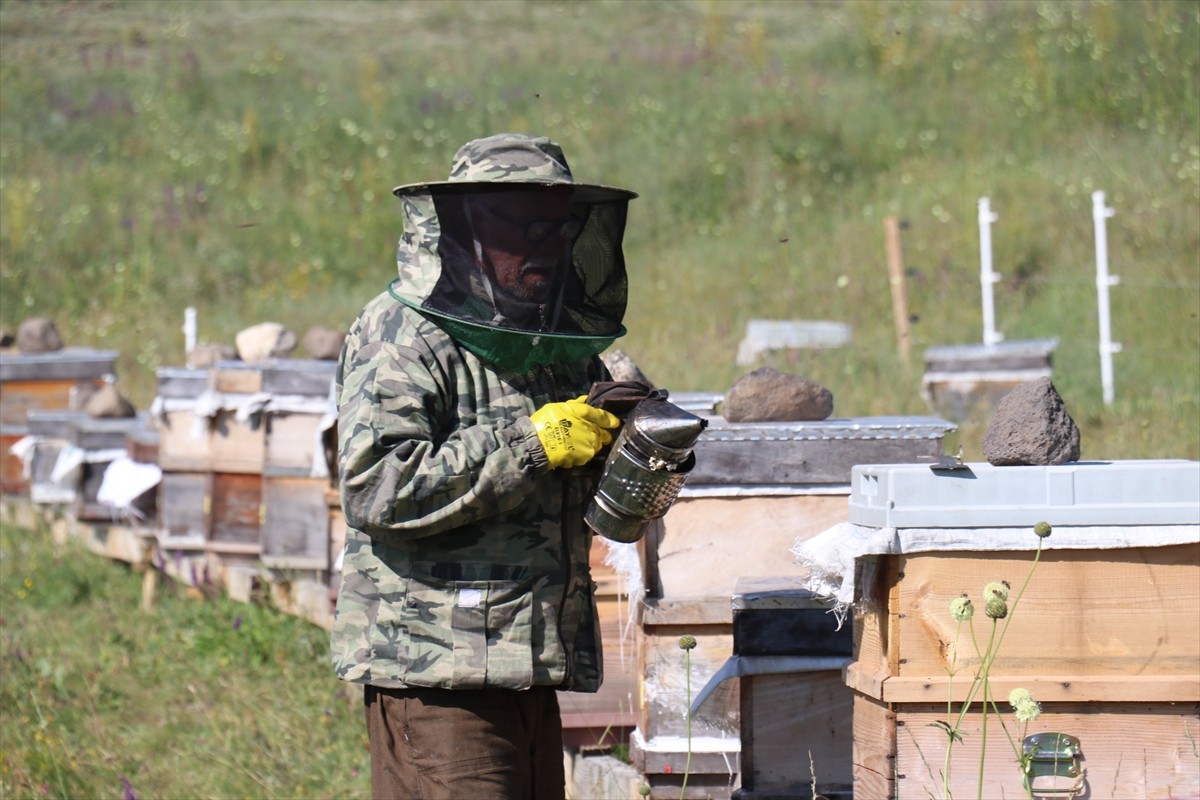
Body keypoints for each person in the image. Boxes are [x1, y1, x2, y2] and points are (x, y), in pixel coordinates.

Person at [331, 133, 639, 799]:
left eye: (557, 227)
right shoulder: (404, 337)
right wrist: (531, 445)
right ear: (467, 226)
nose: (545, 246)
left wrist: (638, 451)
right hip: (436, 674)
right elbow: (376, 486)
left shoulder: (554, 342)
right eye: (523, 226)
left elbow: (575, 491)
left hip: (529, 663)